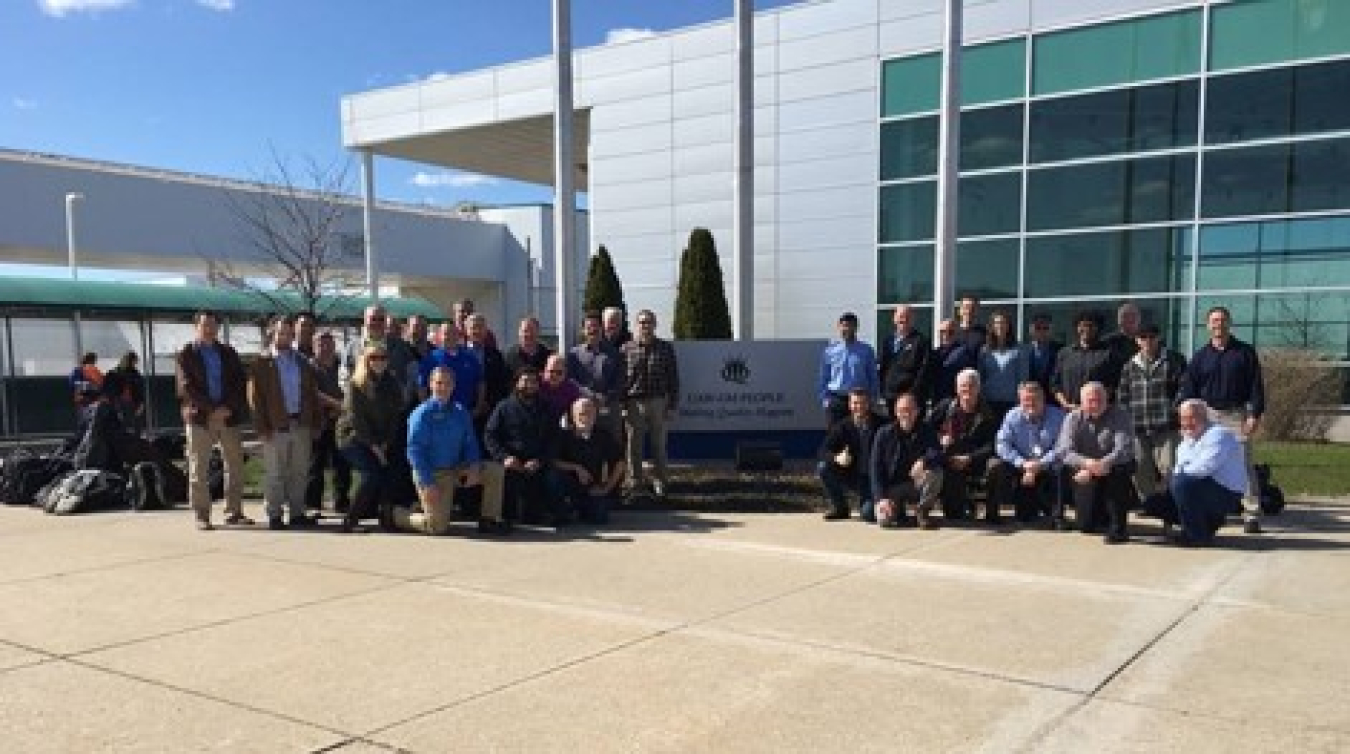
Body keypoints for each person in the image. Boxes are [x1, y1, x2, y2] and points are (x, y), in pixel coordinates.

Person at [1179, 305, 1266, 535]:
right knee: (1206, 462)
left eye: (1222, 320)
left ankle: (1251, 513)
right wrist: (1189, 418)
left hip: (1235, 415)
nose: (1218, 324)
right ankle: (1213, 508)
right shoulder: (1200, 357)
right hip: (1206, 415)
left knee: (1244, 464)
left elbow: (1256, 387)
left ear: (1229, 323)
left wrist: (1254, 414)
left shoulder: (1245, 353)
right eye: (1214, 321)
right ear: (1208, 325)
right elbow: (1189, 388)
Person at [400, 366, 500, 535]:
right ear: (431, 384)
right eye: (439, 383)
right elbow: (415, 451)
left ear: (454, 386)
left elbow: (470, 443)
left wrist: (474, 466)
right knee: (437, 527)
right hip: (432, 473)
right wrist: (428, 483)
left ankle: (488, 520)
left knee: (494, 471)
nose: (443, 387)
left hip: (455, 469)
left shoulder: (460, 412)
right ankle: (395, 514)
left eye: (447, 383)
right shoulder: (422, 414)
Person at [249, 315, 325, 530]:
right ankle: (274, 515)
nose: (284, 336)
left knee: (299, 472)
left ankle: (297, 513)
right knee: (275, 473)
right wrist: (262, 427)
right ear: (273, 333)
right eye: (280, 332)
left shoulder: (302, 361)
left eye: (288, 333)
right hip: (275, 426)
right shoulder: (262, 362)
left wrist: (316, 422)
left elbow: (311, 394)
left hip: (300, 423)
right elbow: (255, 399)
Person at [175, 310, 250, 530]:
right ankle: (202, 515)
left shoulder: (228, 353)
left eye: (213, 325)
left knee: (235, 465)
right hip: (200, 417)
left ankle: (234, 511)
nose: (209, 329)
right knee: (199, 467)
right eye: (204, 325)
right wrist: (211, 409)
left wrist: (227, 407)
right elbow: (186, 387)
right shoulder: (185, 354)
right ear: (196, 327)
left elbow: (239, 381)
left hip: (228, 416)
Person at [336, 343, 406, 533]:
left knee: (389, 474)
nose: (378, 362)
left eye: (382, 358)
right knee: (371, 475)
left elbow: (394, 417)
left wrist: (385, 443)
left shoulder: (392, 384)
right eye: (373, 358)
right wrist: (375, 447)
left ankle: (387, 518)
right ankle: (350, 521)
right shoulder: (355, 384)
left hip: (381, 439)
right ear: (365, 360)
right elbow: (356, 421)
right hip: (353, 438)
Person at [1057, 382, 1136, 544]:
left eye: (1099, 399)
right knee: (1086, 526)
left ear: (1107, 399)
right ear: (1081, 402)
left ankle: (1118, 529)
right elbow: (1064, 451)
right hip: (1084, 469)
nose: (1095, 404)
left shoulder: (1120, 416)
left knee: (1121, 471)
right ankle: (1094, 514)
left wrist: (1098, 465)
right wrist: (1086, 463)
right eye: (1090, 400)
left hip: (1113, 467)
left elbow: (1124, 449)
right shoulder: (1072, 418)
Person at [1117, 323, 1187, 500]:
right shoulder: (1129, 366)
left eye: (1152, 337)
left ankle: (1173, 504)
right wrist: (1126, 420)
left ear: (1158, 338)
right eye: (1143, 337)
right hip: (1138, 427)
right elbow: (1123, 396)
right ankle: (1150, 504)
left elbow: (1184, 389)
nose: (1148, 341)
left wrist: (1174, 411)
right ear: (1137, 341)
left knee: (1170, 467)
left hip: (1166, 426)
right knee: (1140, 470)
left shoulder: (1174, 360)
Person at [485, 367, 558, 530]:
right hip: (512, 462)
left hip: (537, 462)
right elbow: (490, 436)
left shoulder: (547, 408)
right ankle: (505, 517)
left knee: (551, 480)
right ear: (517, 383)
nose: (530, 385)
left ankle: (553, 512)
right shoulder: (503, 407)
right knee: (507, 487)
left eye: (533, 382)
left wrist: (540, 460)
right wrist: (504, 458)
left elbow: (553, 440)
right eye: (525, 381)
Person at [1167, 399, 1248, 547]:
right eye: (1183, 418)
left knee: (1181, 484)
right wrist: (1178, 476)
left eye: (1192, 417)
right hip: (1206, 487)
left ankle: (1197, 536)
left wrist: (1179, 475)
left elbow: (1205, 467)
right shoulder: (1185, 441)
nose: (1187, 423)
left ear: (1204, 417)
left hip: (1227, 494)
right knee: (1156, 502)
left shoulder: (1219, 435)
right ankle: (1207, 525)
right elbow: (1180, 468)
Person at [989, 381, 1066, 525]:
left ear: (1043, 399)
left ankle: (1058, 517)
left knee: (1061, 468)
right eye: (1026, 400)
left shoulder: (1059, 416)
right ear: (1020, 400)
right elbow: (1002, 444)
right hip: (1020, 465)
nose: (1030, 403)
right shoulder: (1012, 416)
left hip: (1048, 464)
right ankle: (993, 514)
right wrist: (1023, 463)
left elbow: (1062, 447)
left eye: (1035, 399)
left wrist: (1040, 464)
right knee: (996, 466)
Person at [621, 309, 680, 498]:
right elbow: (622, 380)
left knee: (658, 445)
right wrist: (622, 406)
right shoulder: (626, 348)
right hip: (633, 402)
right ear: (635, 325)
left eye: (648, 322)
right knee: (633, 446)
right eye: (641, 322)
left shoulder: (665, 348)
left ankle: (661, 482)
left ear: (655, 325)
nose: (645, 325)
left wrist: (672, 405)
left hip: (658, 401)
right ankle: (635, 482)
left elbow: (674, 378)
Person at [928, 368, 999, 522]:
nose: (967, 389)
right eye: (963, 386)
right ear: (957, 389)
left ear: (979, 388)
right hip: (950, 459)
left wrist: (969, 458)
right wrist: (940, 438)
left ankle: (992, 513)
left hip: (977, 460)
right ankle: (961, 505)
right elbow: (926, 431)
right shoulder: (945, 407)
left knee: (997, 466)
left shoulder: (988, 412)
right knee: (955, 516)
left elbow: (992, 445)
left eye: (972, 385)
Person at [869, 393, 943, 529]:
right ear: (896, 412)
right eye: (902, 410)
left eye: (910, 410)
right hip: (892, 487)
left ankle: (922, 513)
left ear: (917, 411)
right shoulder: (884, 434)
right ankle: (898, 512)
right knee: (884, 521)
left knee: (936, 473)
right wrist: (881, 499)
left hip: (916, 485)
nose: (906, 414)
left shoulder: (927, 431)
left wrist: (924, 461)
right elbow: (875, 468)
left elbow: (938, 453)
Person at [550, 397, 626, 525]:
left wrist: (606, 488)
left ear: (596, 415)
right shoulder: (564, 435)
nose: (586, 417)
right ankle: (561, 510)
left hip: (592, 487)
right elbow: (552, 461)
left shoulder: (603, 435)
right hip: (569, 486)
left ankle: (583, 510)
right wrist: (576, 468)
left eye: (590, 413)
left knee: (600, 518)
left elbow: (620, 463)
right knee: (551, 477)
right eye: (581, 413)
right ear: (573, 416)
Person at [816, 388, 885, 521]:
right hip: (852, 474)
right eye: (855, 403)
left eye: (862, 403)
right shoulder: (842, 426)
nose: (859, 407)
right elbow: (822, 451)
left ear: (869, 403)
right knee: (823, 467)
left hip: (874, 479)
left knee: (868, 514)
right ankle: (840, 508)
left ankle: (872, 504)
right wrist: (837, 457)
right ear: (849, 404)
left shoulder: (882, 425)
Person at [306, 331, 352, 515]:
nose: (325, 348)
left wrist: (343, 407)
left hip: (340, 422)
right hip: (318, 422)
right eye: (320, 344)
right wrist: (337, 404)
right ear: (314, 346)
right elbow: (312, 392)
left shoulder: (341, 366)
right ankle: (312, 504)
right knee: (315, 465)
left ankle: (341, 501)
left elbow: (349, 387)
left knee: (342, 464)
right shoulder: (308, 367)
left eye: (329, 344)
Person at [344, 304, 417, 407]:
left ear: (385, 322)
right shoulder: (352, 346)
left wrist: (404, 396)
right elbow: (344, 375)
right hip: (361, 409)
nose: (377, 322)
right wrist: (351, 399)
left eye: (381, 319)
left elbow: (413, 373)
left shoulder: (400, 345)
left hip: (393, 410)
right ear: (365, 320)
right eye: (373, 318)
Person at [567, 311, 624, 441]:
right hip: (582, 406)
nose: (592, 330)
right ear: (583, 331)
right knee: (581, 443)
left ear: (602, 328)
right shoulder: (574, 354)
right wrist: (589, 396)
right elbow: (571, 380)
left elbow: (620, 380)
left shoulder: (615, 353)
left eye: (596, 326)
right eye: (588, 327)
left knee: (612, 442)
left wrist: (605, 397)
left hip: (608, 405)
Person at [817, 312, 879, 428]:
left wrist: (873, 399)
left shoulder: (866, 350)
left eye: (850, 326)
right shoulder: (830, 351)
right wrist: (825, 400)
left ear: (856, 328)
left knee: (859, 436)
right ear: (838, 327)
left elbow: (873, 376)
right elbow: (823, 377)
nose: (846, 329)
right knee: (835, 438)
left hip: (859, 400)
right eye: (843, 325)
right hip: (836, 400)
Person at [1053, 310, 1122, 410]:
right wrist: (1065, 404)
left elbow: (1114, 384)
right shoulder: (1064, 354)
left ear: (1098, 328)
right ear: (1077, 328)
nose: (1086, 329)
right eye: (1082, 325)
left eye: (1091, 326)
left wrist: (1094, 404)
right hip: (1068, 411)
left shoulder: (1109, 354)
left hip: (1098, 412)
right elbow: (1055, 384)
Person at [464, 313, 510, 438]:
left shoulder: (496, 355)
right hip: (465, 410)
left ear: (486, 331)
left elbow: (501, 383)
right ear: (466, 330)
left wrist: (488, 403)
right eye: (473, 327)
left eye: (480, 327)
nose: (477, 331)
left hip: (490, 411)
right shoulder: (459, 353)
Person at [879, 305, 931, 414]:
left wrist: (912, 393)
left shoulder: (921, 341)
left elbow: (924, 369)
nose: (904, 319)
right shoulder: (887, 341)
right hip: (891, 396)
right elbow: (883, 367)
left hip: (912, 397)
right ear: (894, 319)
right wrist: (883, 390)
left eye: (907, 316)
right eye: (901, 316)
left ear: (912, 319)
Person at [418, 328, 484, 414]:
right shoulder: (430, 359)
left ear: (458, 336)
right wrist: (428, 411)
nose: (450, 336)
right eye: (446, 333)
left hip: (467, 413)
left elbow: (480, 384)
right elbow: (422, 387)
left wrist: (478, 408)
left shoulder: (471, 358)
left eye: (453, 333)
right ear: (439, 336)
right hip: (439, 414)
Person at [977, 310, 1028, 418]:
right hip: (989, 402)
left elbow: (1023, 378)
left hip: (1011, 402)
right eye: (997, 323)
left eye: (1003, 322)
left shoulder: (1019, 349)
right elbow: (980, 377)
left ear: (1009, 326)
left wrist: (1021, 400)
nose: (1000, 326)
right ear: (992, 326)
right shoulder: (985, 350)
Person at [930, 318, 977, 407]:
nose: (945, 335)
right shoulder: (935, 353)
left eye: (950, 332)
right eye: (942, 331)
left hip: (955, 402)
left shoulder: (964, 353)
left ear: (956, 333)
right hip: (937, 401)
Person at [1024, 313, 1061, 405]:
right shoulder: (1022, 350)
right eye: (1038, 328)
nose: (1041, 331)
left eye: (1045, 328)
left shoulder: (1061, 350)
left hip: (1053, 399)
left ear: (1051, 330)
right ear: (1031, 330)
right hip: (1029, 398)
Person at [108, 350, 146, 436]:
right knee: (133, 422)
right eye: (135, 361)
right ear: (131, 361)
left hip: (125, 401)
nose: (136, 363)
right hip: (127, 401)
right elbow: (139, 388)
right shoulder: (133, 373)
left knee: (127, 423)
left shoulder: (117, 372)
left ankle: (126, 440)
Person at [540, 353, 585, 425]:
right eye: (551, 371)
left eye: (559, 373)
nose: (554, 375)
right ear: (545, 371)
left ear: (565, 373)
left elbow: (575, 413)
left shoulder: (571, 389)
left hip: (553, 426)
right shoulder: (535, 383)